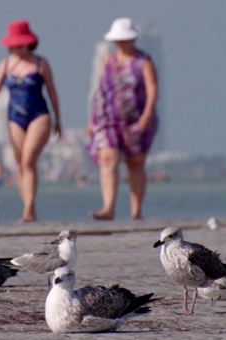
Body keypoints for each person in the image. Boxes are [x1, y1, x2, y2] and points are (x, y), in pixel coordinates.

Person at [0, 19, 62, 222]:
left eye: (19, 44)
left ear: (29, 43)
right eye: (13, 45)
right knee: (21, 165)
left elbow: (52, 92)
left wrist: (58, 119)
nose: (16, 48)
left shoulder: (41, 63)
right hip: (15, 118)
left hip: (39, 115)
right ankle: (26, 204)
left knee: (29, 160)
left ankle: (29, 210)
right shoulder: (5, 64)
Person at [86, 17, 159, 220]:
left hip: (137, 118)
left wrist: (147, 114)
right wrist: (92, 119)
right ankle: (108, 208)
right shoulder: (108, 59)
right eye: (118, 39)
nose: (121, 43)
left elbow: (152, 89)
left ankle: (136, 211)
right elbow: (100, 89)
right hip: (108, 118)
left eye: (125, 39)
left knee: (135, 163)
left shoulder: (143, 61)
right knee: (108, 159)